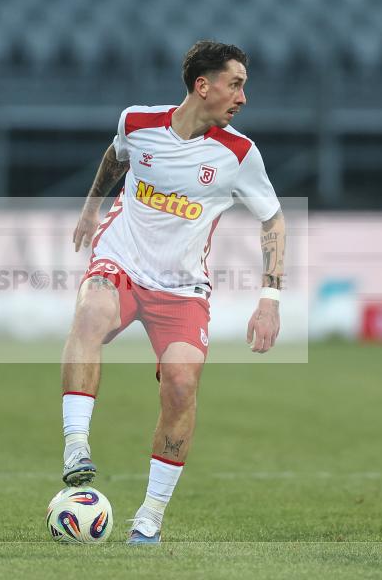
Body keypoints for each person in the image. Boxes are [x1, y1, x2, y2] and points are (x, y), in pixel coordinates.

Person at [60, 40, 285, 544]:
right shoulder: (138, 122)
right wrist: (92, 207)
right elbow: (116, 157)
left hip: (182, 287)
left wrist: (269, 301)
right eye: (235, 85)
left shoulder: (239, 154)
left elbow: (273, 219)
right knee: (91, 313)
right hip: (121, 260)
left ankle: (150, 516)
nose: (243, 97)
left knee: (181, 384)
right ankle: (76, 444)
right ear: (203, 86)